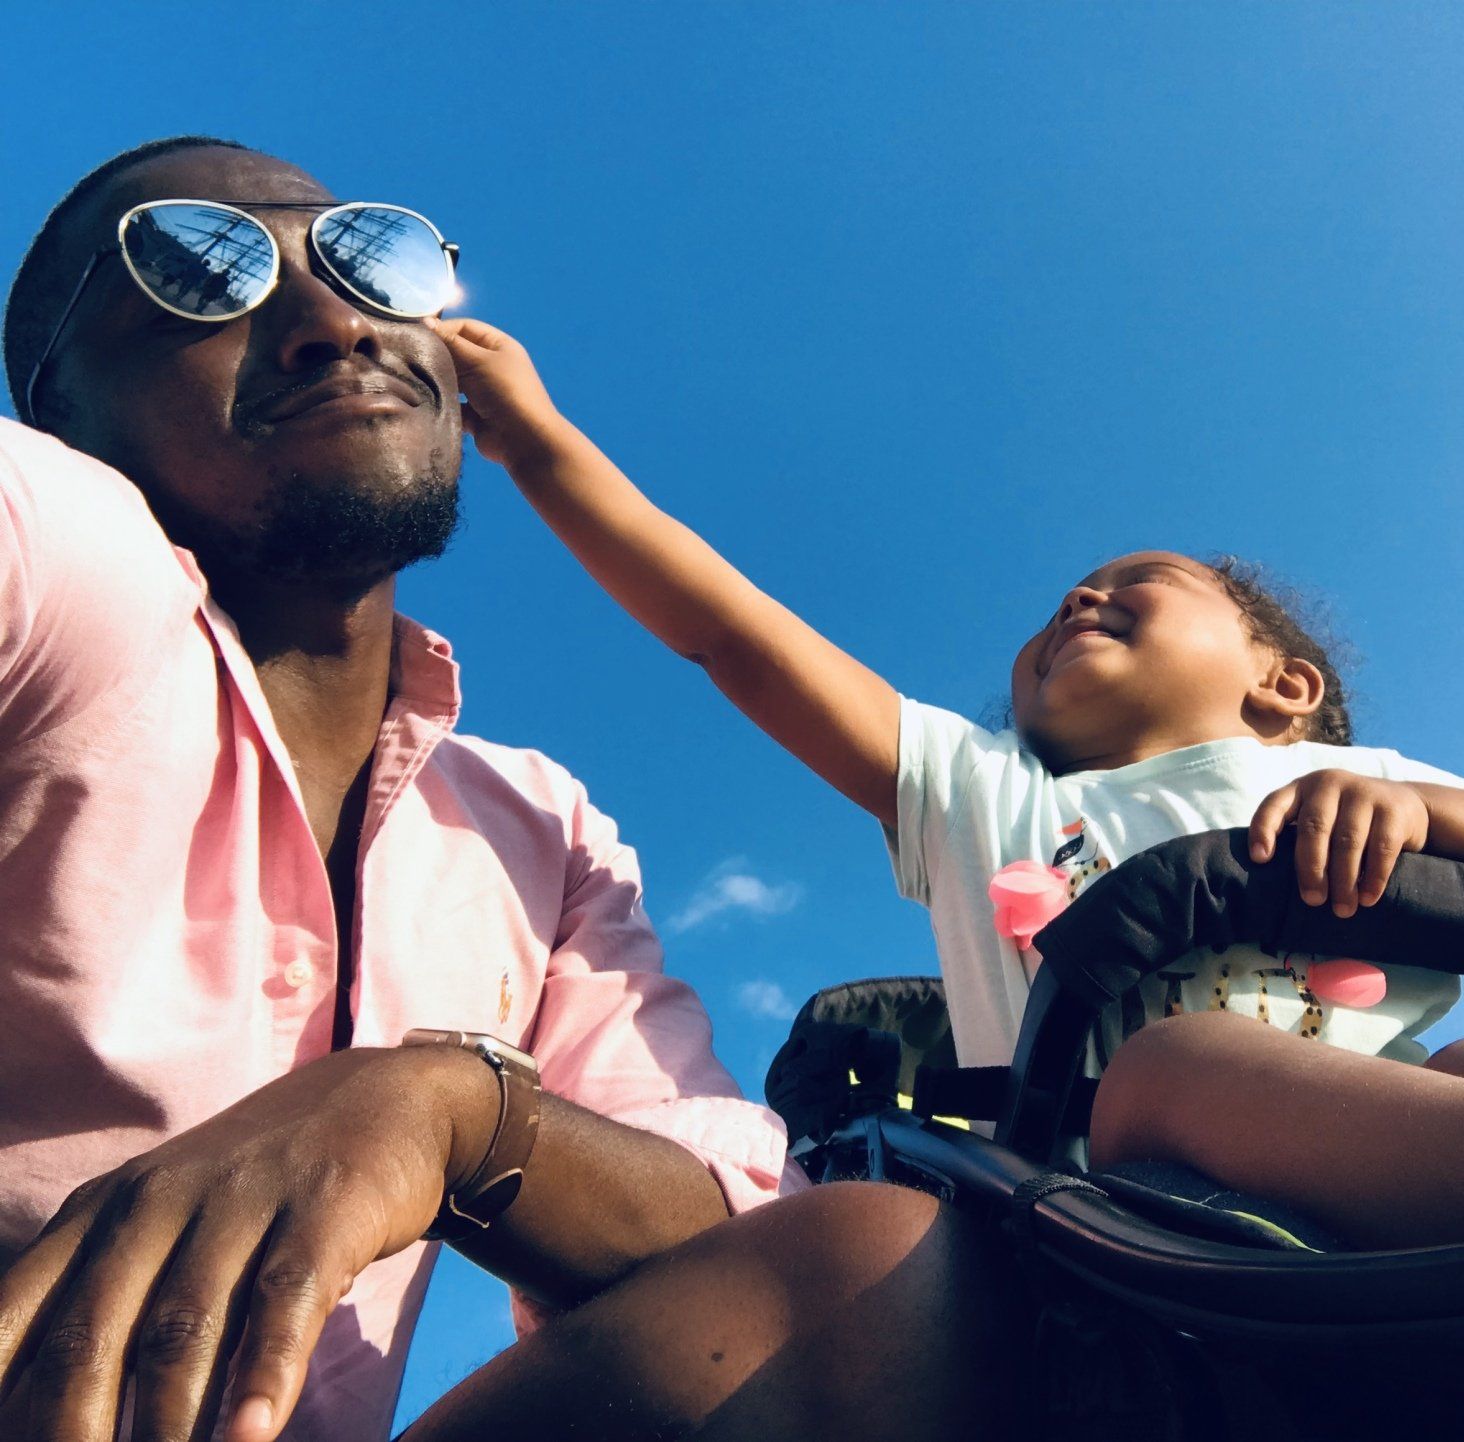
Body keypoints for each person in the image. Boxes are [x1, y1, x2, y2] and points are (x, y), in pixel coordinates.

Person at [0, 135, 860, 1442]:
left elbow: (732, 1230)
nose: (330, 319)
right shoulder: (59, 553)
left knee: (888, 1276)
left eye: (373, 260)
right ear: (54, 406)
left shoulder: (537, 825)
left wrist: (447, 1108)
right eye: (197, 271)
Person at [425, 315, 1464, 1249]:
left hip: (1384, 1140)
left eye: (1140, 582)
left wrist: (1420, 810)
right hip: (1134, 1196)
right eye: (1065, 599)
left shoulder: (1344, 772)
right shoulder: (985, 790)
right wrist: (538, 443)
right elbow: (729, 631)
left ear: (1284, 683)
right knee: (1177, 1066)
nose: (1077, 595)